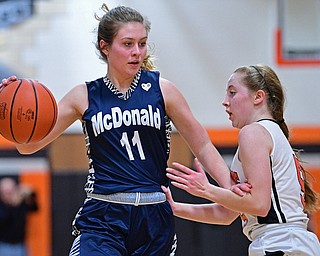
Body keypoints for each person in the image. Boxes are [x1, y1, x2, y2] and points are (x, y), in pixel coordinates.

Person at [0, 4, 247, 255]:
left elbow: (203, 145)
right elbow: (27, 145)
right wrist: (7, 106)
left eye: (142, 43)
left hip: (154, 216)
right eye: (128, 44)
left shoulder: (164, 90)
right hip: (103, 216)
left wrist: (230, 188)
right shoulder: (83, 96)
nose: (137, 52)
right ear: (104, 47)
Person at [162, 64, 320, 256]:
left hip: (281, 243)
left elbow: (260, 205)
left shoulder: (253, 133)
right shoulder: (267, 134)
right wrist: (175, 208)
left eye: (232, 93)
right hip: (288, 243)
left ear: (258, 97)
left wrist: (206, 189)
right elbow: (227, 214)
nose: (225, 101)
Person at [0, 177, 38, 256]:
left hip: (20, 245)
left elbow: (35, 208)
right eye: (6, 192)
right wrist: (13, 205)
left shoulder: (21, 203)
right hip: (4, 246)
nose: (8, 195)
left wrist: (29, 194)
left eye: (10, 192)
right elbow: (4, 219)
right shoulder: (3, 206)